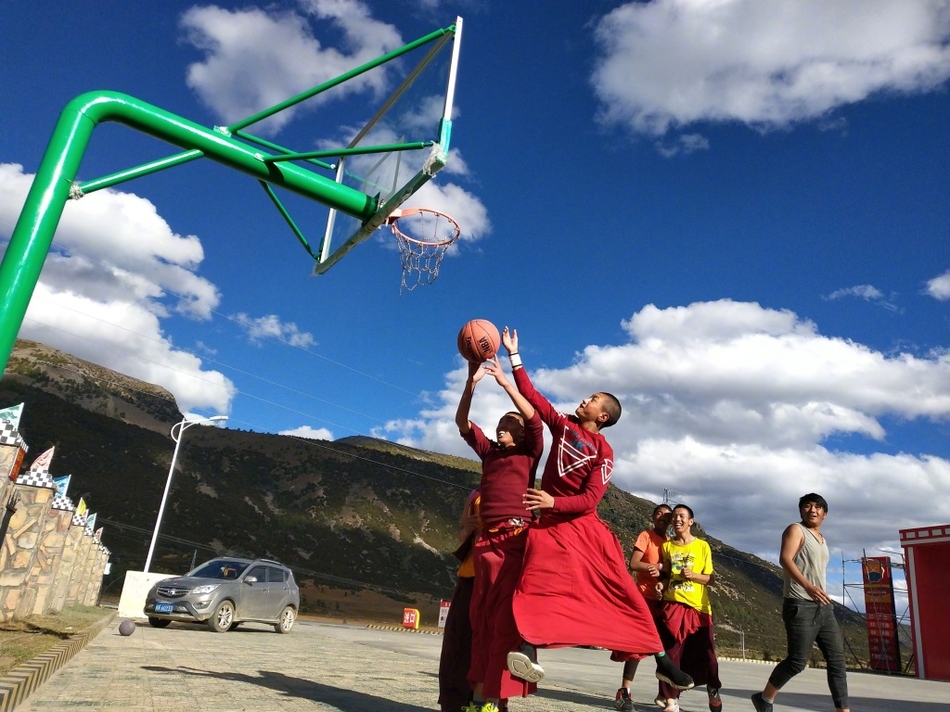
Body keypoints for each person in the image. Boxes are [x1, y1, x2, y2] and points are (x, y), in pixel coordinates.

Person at [499, 327, 694, 694]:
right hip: (550, 528)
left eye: (592, 399)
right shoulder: (563, 425)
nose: (584, 400)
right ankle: (528, 649)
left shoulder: (604, 452)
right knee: (532, 584)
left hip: (585, 530)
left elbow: (590, 500)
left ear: (602, 416)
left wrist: (553, 501)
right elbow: (533, 397)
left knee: (624, 593)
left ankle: (663, 663)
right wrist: (514, 356)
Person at [457, 358, 544, 712]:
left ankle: (496, 699)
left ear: (521, 433)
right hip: (485, 543)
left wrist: (506, 382)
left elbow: (536, 419)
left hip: (514, 538)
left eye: (508, 424)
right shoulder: (489, 453)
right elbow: (462, 422)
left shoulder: (529, 453)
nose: (499, 429)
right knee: (482, 620)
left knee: (505, 621)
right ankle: (479, 701)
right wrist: (471, 383)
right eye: (498, 424)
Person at [751, 494, 851, 712]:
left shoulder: (823, 540)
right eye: (807, 506)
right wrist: (807, 586)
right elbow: (785, 559)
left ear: (825, 514)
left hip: (823, 607)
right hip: (799, 603)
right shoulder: (796, 530)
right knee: (797, 661)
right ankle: (765, 698)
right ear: (801, 511)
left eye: (818, 507)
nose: (812, 510)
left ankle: (843, 710)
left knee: (837, 661)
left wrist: (818, 592)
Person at [654, 504, 721, 712]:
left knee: (708, 656)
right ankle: (671, 701)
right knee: (671, 654)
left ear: (691, 521)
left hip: (698, 608)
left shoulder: (702, 546)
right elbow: (666, 576)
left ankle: (713, 688)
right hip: (672, 605)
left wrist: (693, 576)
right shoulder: (667, 547)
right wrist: (660, 585)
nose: (677, 520)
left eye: (682, 516)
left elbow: (710, 579)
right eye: (674, 517)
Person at [613, 503, 674, 711]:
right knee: (637, 648)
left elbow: (669, 573)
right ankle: (624, 692)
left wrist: (663, 577)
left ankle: (666, 695)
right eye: (659, 513)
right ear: (653, 517)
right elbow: (633, 563)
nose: (663, 517)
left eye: (667, 515)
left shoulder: (670, 543)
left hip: (664, 599)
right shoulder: (646, 536)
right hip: (643, 598)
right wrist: (654, 567)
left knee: (667, 647)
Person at [438, 488, 480, 712]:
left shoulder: (516, 489)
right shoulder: (475, 494)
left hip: (497, 579)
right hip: (470, 577)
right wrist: (468, 529)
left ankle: (487, 704)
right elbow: (461, 533)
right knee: (458, 644)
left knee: (489, 647)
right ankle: (454, 704)